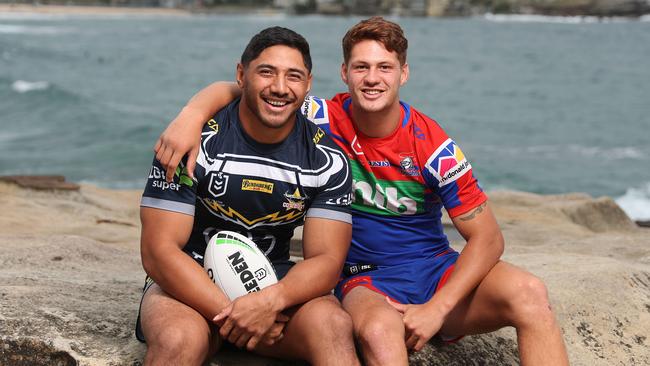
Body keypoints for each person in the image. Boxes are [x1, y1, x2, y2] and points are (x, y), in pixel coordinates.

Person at [154, 17, 569, 366]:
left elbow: (489, 238)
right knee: (377, 333)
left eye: (385, 68)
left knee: (531, 294)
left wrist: (437, 310)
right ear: (344, 73)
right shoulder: (321, 117)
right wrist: (192, 113)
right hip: (364, 281)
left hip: (433, 271)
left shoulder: (434, 146)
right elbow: (254, 91)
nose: (372, 79)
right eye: (361, 67)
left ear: (403, 73)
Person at [137, 26, 360, 366]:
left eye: (294, 76)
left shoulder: (327, 161)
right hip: (189, 288)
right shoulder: (192, 144)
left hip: (275, 284)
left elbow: (327, 262)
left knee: (334, 327)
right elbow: (159, 252)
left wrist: (269, 302)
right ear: (241, 75)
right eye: (266, 72)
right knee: (177, 341)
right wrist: (235, 315)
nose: (280, 87)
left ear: (309, 83)